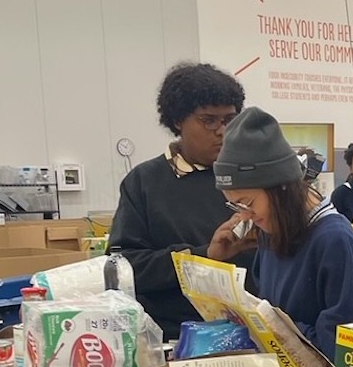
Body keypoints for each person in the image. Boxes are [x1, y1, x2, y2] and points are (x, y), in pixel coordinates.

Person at [207, 107, 353, 363]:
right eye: (236, 206)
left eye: (248, 202)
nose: (246, 215)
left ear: (281, 188)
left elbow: (344, 349)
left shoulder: (333, 241)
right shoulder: (270, 234)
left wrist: (278, 327)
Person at [108, 62, 253, 340]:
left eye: (229, 120)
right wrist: (201, 258)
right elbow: (123, 267)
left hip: (252, 334)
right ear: (177, 120)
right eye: (208, 120)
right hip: (177, 340)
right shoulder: (145, 182)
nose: (222, 131)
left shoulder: (252, 177)